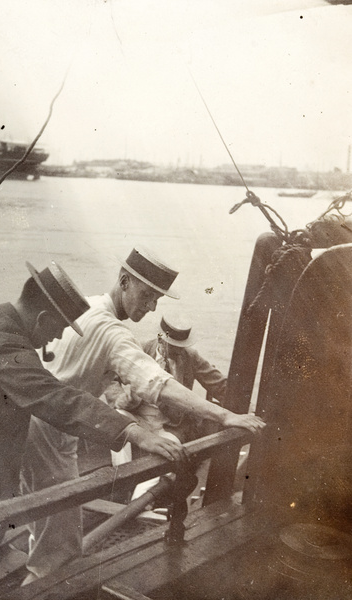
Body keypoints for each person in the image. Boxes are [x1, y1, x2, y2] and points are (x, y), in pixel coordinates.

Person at [22, 247, 266, 582]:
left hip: (26, 423)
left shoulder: (84, 306)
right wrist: (224, 416)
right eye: (146, 296)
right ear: (124, 282)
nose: (151, 307)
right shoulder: (113, 333)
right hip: (51, 435)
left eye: (157, 300)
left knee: (44, 529)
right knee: (57, 553)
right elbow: (158, 383)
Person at [0, 260, 184, 595]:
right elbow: (55, 397)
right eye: (58, 329)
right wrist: (134, 431)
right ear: (44, 319)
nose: (56, 337)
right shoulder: (4, 344)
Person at [108, 313, 227, 443]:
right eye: (175, 346)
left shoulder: (190, 356)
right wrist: (119, 399)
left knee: (172, 447)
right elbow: (109, 377)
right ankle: (121, 464)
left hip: (169, 425)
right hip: (137, 416)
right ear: (161, 340)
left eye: (183, 346)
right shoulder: (140, 351)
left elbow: (219, 384)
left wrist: (241, 405)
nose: (180, 351)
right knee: (117, 424)